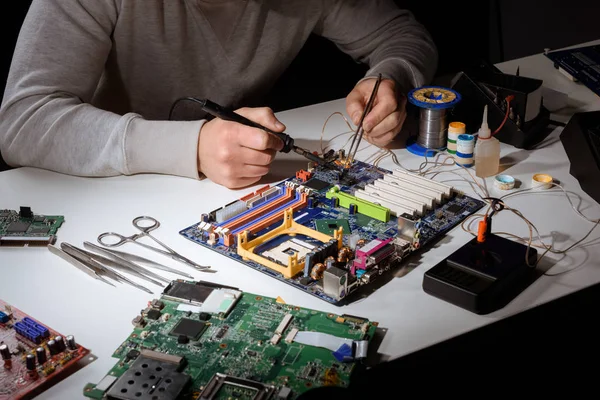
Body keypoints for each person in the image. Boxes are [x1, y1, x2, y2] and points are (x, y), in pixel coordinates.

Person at [0, 0, 437, 189]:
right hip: (104, 191)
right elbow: (22, 120)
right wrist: (192, 146)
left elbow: (400, 35)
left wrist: (389, 78)